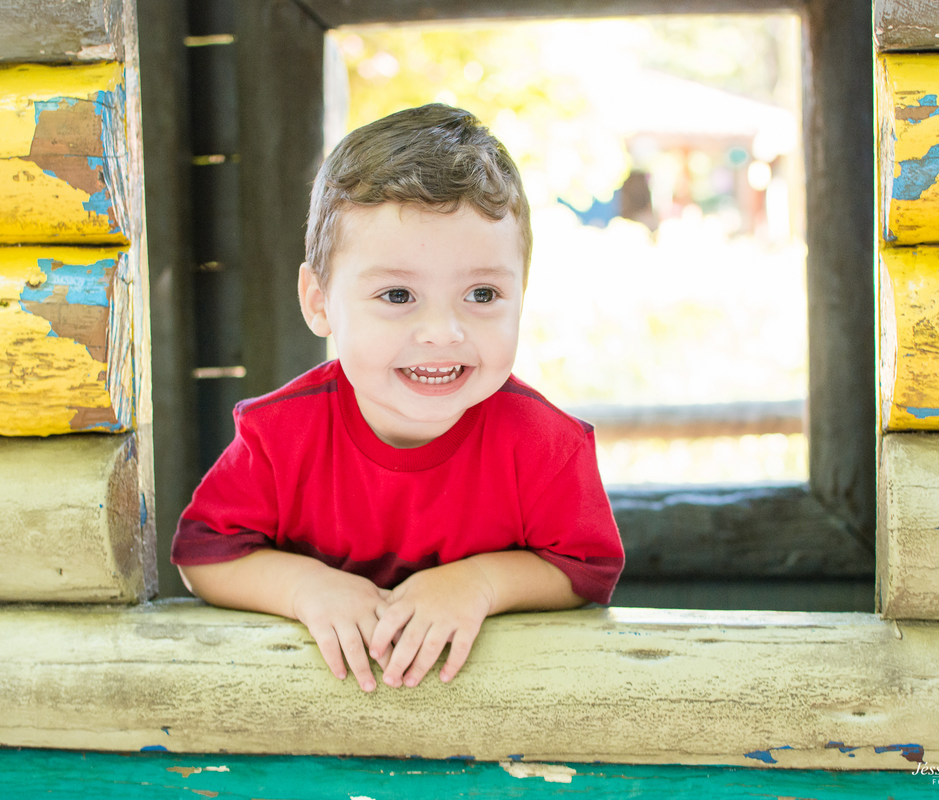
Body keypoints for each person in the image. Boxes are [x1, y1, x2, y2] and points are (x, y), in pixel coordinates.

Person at [171, 103, 624, 693]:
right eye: (397, 295)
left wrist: (479, 584)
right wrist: (306, 588)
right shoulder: (280, 435)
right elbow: (202, 556)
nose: (443, 331)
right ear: (319, 301)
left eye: (482, 293)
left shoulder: (547, 446)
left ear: (523, 294)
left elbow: (588, 572)